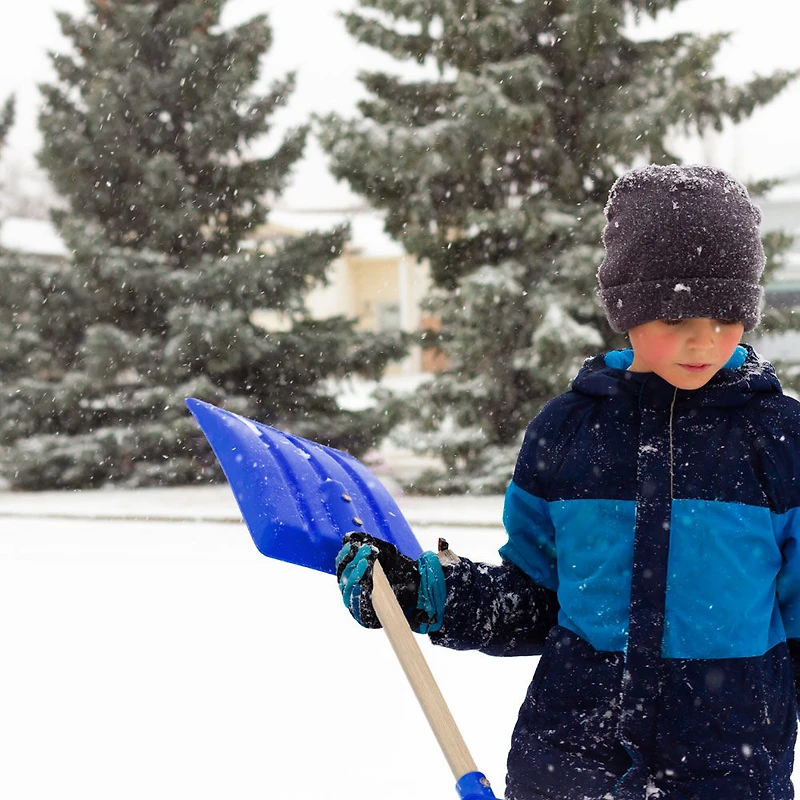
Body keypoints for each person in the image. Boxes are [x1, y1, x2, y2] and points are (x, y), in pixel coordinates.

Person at [336, 164, 800, 800]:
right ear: (627, 308)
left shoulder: (779, 440)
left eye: (726, 316)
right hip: (569, 767)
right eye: (675, 317)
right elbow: (534, 598)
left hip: (725, 772)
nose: (704, 340)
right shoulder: (566, 433)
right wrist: (426, 594)